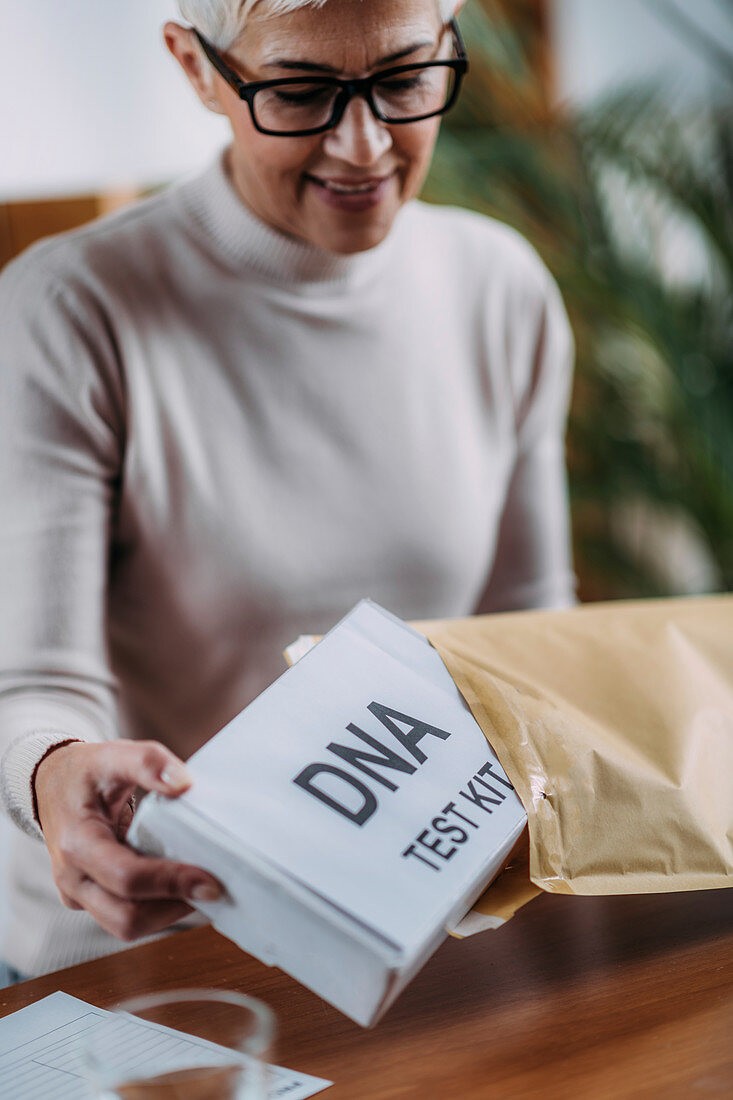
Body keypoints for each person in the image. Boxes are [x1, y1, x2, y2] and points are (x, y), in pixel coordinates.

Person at [0, 0, 575, 981]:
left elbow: (528, 626)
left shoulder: (498, 285)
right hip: (144, 947)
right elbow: (34, 685)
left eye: (402, 80)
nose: (363, 145)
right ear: (195, 66)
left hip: (418, 930)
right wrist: (53, 769)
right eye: (300, 93)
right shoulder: (70, 309)